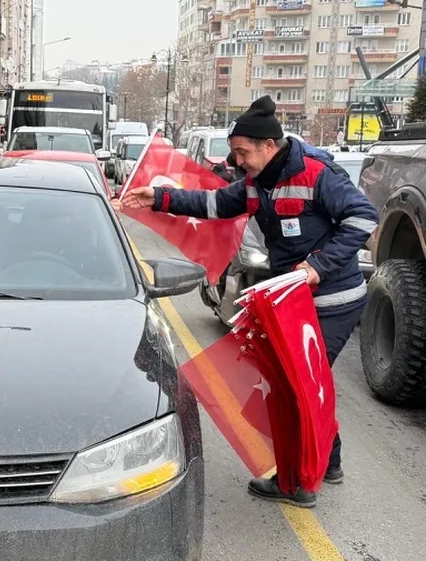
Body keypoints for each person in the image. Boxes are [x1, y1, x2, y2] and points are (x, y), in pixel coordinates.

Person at [121, 96, 379, 507]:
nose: (237, 162)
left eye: (243, 152)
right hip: (292, 301)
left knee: (296, 386)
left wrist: (318, 266)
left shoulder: (316, 173)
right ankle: (327, 461)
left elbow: (364, 217)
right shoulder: (259, 181)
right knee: (308, 383)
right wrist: (160, 197)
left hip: (332, 300)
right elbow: (215, 204)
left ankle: (297, 482)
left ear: (269, 145)